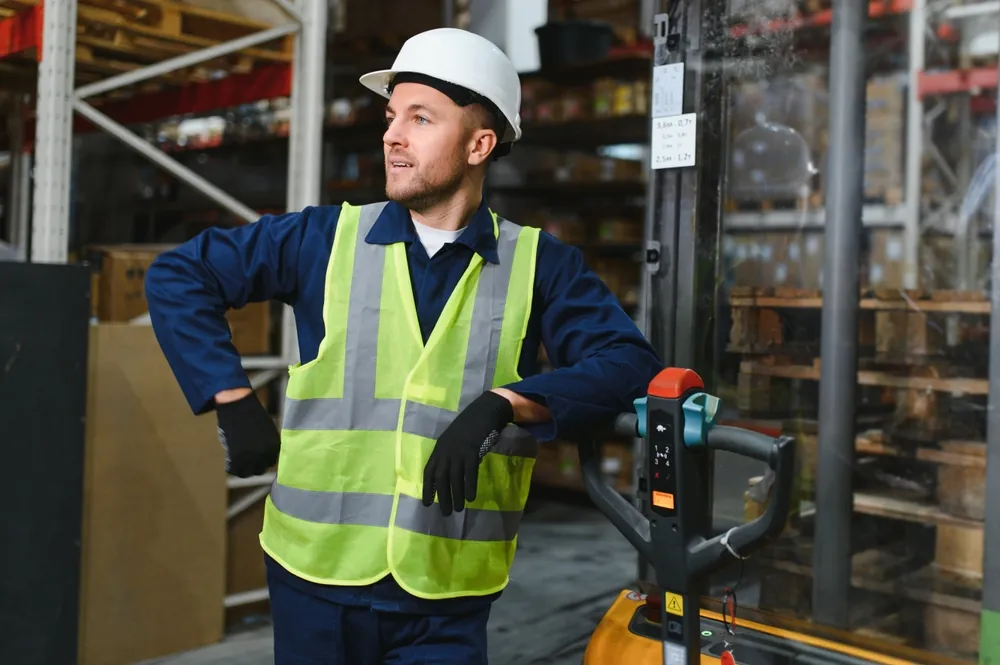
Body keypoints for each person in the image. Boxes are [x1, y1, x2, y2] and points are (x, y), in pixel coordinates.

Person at [145, 27, 662, 665]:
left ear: (480, 144)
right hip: (315, 578)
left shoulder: (540, 265)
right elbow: (179, 275)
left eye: (421, 118)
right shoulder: (322, 238)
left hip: (446, 589)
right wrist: (229, 396)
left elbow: (629, 364)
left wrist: (506, 403)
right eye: (391, 117)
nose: (392, 135)